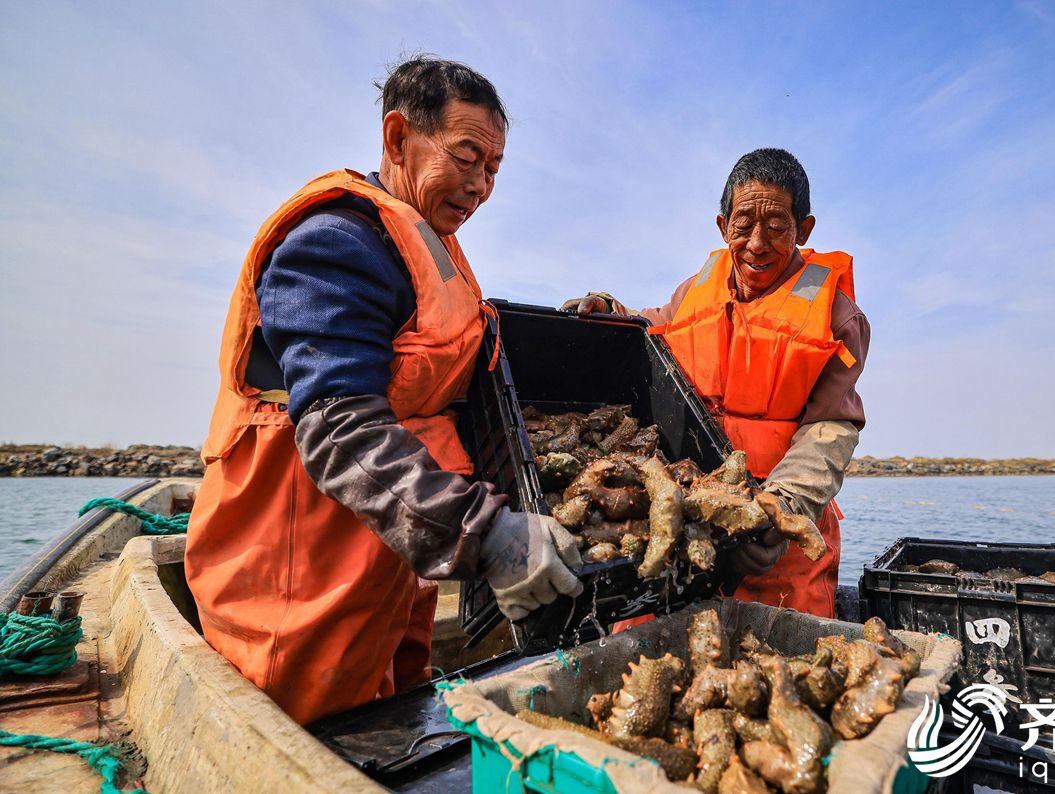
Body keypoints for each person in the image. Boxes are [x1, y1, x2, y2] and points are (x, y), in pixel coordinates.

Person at [184, 57, 582, 726]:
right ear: (399, 138)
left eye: (494, 168)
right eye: (466, 157)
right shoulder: (336, 243)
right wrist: (487, 536)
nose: (481, 184)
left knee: (395, 721)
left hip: (397, 557)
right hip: (299, 578)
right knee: (311, 740)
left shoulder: (431, 247)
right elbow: (338, 428)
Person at [563, 148, 868, 617]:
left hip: (779, 540)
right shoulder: (696, 290)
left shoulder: (837, 316)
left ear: (804, 230)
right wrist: (609, 309)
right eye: (744, 224)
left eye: (777, 226)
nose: (757, 243)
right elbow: (652, 327)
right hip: (690, 523)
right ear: (723, 225)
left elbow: (832, 428)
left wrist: (781, 508)